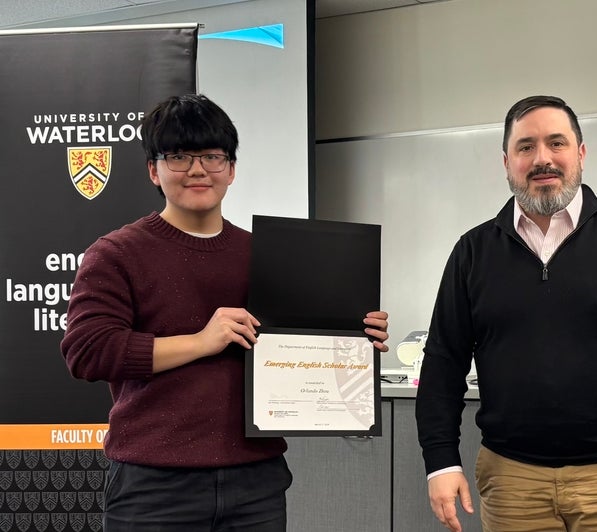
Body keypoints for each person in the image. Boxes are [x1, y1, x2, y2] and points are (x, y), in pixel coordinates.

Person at [60, 94, 389, 531]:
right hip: (154, 485)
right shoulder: (117, 253)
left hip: (255, 481)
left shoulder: (268, 254)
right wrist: (200, 342)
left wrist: (354, 340)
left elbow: (296, 351)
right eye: (178, 156)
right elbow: (88, 352)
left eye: (212, 156)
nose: (198, 170)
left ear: (231, 169)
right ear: (153, 170)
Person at [415, 95, 597, 532]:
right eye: (525, 147)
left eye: (556, 143)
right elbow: (443, 363)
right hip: (511, 480)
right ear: (506, 161)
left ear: (581, 154)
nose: (542, 158)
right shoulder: (473, 251)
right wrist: (440, 462)